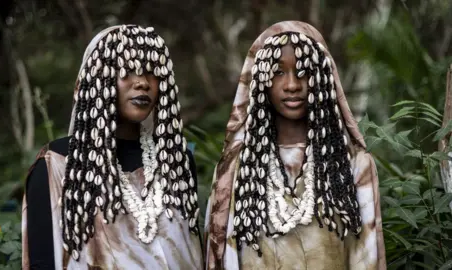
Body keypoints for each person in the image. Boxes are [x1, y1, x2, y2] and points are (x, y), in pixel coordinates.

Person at [204, 21, 385, 270]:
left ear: (322, 79)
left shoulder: (353, 165)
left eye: (304, 71)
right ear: (262, 82)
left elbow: (367, 259)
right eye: (279, 72)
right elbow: (227, 258)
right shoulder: (237, 170)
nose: (292, 85)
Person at [22, 24, 203, 269]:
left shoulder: (177, 162)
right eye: (127, 70)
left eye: (151, 72)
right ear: (99, 79)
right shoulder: (58, 166)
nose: (142, 83)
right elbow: (42, 261)